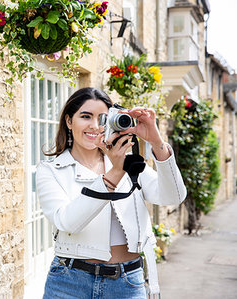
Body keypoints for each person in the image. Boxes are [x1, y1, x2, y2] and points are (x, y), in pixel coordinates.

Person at [36, 87, 186, 299]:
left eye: (103, 118)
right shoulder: (51, 170)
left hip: (127, 282)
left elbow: (174, 196)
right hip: (69, 282)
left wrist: (156, 142)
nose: (95, 126)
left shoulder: (130, 163)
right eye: (85, 116)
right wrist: (114, 173)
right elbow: (67, 221)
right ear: (69, 122)